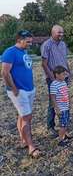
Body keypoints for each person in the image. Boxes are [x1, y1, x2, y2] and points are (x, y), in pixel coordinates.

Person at [1, 30, 41, 158]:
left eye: (31, 41)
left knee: (22, 115)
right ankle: (31, 147)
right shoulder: (10, 52)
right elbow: (5, 73)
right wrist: (14, 88)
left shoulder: (24, 51)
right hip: (19, 91)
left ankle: (23, 140)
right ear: (19, 40)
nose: (30, 44)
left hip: (29, 89)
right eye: (28, 41)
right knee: (27, 118)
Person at [41, 25, 70, 138]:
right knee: (53, 102)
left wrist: (69, 71)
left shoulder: (63, 44)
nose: (61, 34)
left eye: (62, 32)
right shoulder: (46, 45)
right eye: (59, 33)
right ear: (52, 32)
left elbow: (64, 59)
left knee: (64, 99)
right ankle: (51, 126)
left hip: (64, 77)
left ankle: (63, 124)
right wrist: (52, 79)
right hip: (53, 78)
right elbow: (44, 64)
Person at [50, 66, 72, 146]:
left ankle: (65, 135)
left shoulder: (63, 82)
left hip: (66, 106)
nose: (65, 76)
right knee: (63, 124)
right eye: (63, 74)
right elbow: (53, 98)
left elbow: (67, 93)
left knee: (66, 122)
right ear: (57, 75)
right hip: (61, 108)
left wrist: (69, 103)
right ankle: (60, 140)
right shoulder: (54, 84)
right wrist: (57, 108)